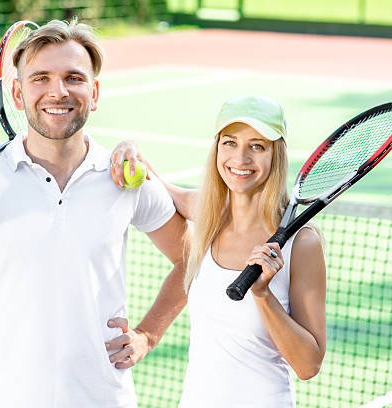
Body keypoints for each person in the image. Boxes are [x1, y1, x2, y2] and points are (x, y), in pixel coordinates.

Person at [0, 19, 188, 408]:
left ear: (93, 93)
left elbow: (191, 256)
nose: (57, 91)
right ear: (17, 91)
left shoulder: (123, 175)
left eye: (73, 78)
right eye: (40, 78)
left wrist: (149, 334)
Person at [115, 95, 326, 407]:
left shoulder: (302, 243)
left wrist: (263, 295)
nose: (240, 158)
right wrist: (130, 149)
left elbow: (309, 365)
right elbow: (156, 184)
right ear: (217, 149)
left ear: (275, 154)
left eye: (257, 145)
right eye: (230, 142)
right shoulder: (208, 213)